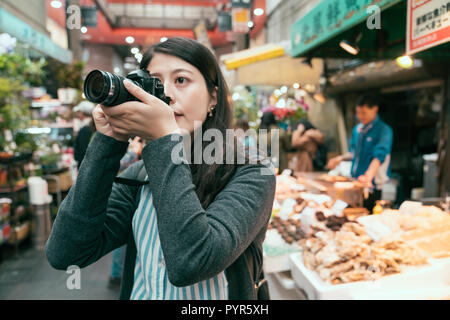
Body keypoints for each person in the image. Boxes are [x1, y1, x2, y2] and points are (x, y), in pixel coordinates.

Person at [46, 37, 275, 300]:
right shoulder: (140, 175)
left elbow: (191, 263)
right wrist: (108, 141)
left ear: (213, 97)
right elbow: (66, 252)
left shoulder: (253, 171)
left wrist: (164, 139)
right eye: (154, 81)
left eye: (181, 80)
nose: (166, 93)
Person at [327, 93, 393, 212]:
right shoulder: (357, 130)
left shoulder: (384, 130)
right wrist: (339, 159)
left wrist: (368, 175)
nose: (360, 116)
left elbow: (380, 155)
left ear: (375, 109)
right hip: (356, 182)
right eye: (358, 113)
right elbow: (352, 152)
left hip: (373, 185)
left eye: (364, 112)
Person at [73, 101, 96, 169]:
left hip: (85, 166)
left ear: (82, 113)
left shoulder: (85, 129)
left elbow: (83, 151)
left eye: (79, 111)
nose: (78, 114)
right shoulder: (92, 126)